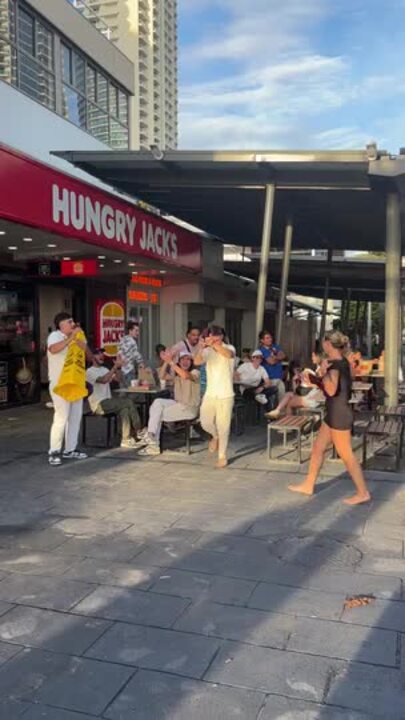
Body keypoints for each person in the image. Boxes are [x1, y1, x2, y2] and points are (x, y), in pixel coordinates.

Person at [288, 331, 371, 506]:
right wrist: (317, 379)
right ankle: (308, 485)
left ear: (328, 344)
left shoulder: (334, 366)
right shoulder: (343, 362)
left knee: (346, 454)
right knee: (318, 448)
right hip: (334, 412)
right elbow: (341, 384)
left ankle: (363, 492)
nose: (322, 345)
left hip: (339, 414)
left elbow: (331, 390)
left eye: (323, 343)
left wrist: (321, 374)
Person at [138, 350, 201, 455]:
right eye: (183, 359)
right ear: (179, 361)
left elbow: (185, 376)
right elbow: (161, 376)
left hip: (189, 408)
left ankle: (152, 443)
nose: (186, 362)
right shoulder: (176, 375)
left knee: (156, 414)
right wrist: (166, 361)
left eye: (188, 359)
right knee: (157, 403)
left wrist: (171, 362)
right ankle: (151, 435)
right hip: (178, 405)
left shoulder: (195, 372)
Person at [47, 312, 89, 466]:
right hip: (60, 384)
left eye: (73, 321)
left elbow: (85, 350)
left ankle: (70, 449)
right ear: (61, 325)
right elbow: (53, 349)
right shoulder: (55, 336)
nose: (73, 324)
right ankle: (54, 451)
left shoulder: (76, 335)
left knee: (75, 416)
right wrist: (70, 338)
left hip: (75, 382)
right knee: (61, 417)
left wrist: (78, 337)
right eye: (69, 321)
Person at [194, 326, 235, 469]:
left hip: (226, 394)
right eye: (212, 336)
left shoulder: (229, 347)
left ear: (221, 336)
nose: (215, 338)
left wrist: (213, 345)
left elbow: (228, 355)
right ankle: (215, 437)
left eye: (217, 336)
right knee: (205, 422)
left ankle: (222, 456)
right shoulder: (207, 350)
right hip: (210, 393)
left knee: (224, 426)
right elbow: (197, 362)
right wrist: (201, 347)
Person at [86, 348, 142, 448]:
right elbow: (103, 380)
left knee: (124, 409)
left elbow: (119, 379)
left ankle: (125, 439)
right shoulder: (89, 372)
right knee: (128, 402)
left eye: (102, 353)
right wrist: (114, 367)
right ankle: (139, 431)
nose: (101, 355)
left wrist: (119, 367)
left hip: (109, 401)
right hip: (98, 404)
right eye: (97, 354)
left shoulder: (105, 369)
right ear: (92, 357)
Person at [266, 352, 324, 419]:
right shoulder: (301, 376)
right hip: (308, 396)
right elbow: (296, 391)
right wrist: (294, 381)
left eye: (313, 356)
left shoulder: (309, 372)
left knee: (289, 403)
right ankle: (280, 414)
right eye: (295, 370)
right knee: (289, 395)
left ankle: (285, 420)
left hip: (313, 398)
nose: (312, 358)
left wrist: (308, 383)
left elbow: (319, 386)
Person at [257, 330, 286, 401]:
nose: (270, 339)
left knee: (282, 400)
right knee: (271, 401)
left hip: (279, 378)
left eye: (270, 337)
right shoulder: (261, 350)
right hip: (269, 380)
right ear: (262, 340)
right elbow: (271, 362)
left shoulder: (275, 346)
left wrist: (275, 357)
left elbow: (283, 355)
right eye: (267, 338)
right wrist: (278, 358)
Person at [118, 321, 144, 387]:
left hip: (122, 371)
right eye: (136, 331)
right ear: (130, 330)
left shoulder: (122, 339)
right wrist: (142, 364)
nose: (138, 333)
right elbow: (136, 355)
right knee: (132, 393)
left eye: (138, 331)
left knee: (123, 392)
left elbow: (119, 353)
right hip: (129, 370)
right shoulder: (132, 341)